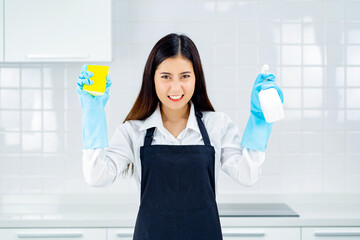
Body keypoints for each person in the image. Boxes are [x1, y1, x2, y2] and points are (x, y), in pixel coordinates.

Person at [76, 33, 283, 240]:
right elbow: (96, 177)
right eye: (166, 77)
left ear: (196, 78)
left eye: (185, 76)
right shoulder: (133, 131)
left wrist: (260, 120)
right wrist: (93, 113)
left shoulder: (217, 125)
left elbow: (247, 176)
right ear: (152, 79)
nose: (176, 87)